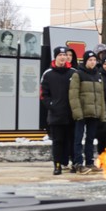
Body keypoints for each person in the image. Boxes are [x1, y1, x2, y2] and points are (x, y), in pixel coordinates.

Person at [68, 50, 106, 174]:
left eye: (94, 60)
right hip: (81, 113)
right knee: (78, 139)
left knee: (90, 139)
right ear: (85, 61)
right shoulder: (78, 74)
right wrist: (77, 113)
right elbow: (73, 95)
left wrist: (102, 114)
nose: (92, 62)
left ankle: (89, 162)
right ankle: (78, 163)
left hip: (94, 113)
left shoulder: (98, 75)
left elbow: (101, 97)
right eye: (90, 60)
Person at [40, 46, 76, 175]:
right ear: (55, 57)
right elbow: (43, 94)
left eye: (64, 55)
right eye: (59, 55)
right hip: (56, 115)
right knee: (58, 142)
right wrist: (52, 105)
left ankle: (74, 164)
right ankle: (57, 165)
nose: (62, 57)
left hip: (71, 115)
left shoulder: (73, 72)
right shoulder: (48, 73)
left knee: (72, 141)